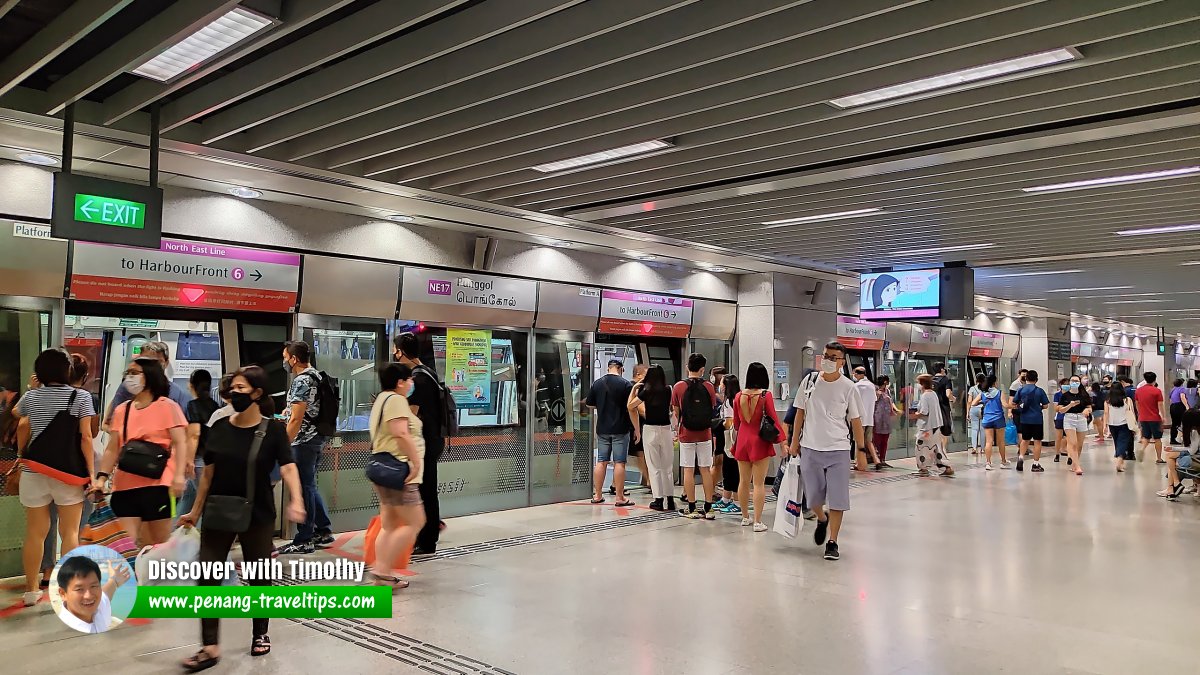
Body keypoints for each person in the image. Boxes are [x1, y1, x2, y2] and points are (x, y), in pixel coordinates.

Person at [179, 366, 305, 671]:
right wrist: (195, 512)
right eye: (232, 388)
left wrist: (297, 501)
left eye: (241, 388)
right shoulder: (218, 429)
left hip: (257, 514)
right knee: (207, 577)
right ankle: (209, 646)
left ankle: (260, 632)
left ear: (257, 394)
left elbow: (288, 467)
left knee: (259, 576)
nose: (234, 393)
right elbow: (207, 475)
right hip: (218, 512)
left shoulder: (273, 431)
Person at [15, 349, 96, 607]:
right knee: (70, 531)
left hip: (34, 471)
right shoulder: (81, 397)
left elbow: (18, 416)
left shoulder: (31, 397)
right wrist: (92, 474)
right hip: (68, 473)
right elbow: (85, 437)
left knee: (35, 533)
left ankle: (30, 591)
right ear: (68, 371)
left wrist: (33, 387)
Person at [96, 357, 188, 547]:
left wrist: (179, 476)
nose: (129, 378)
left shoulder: (168, 406)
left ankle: (158, 576)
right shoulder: (123, 410)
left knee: (159, 543)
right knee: (125, 544)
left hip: (160, 486)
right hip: (124, 485)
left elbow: (180, 442)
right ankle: (136, 576)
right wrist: (102, 477)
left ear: (150, 376)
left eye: (134, 373)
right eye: (127, 373)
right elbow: (113, 448)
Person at [788, 342, 866, 561]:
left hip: (839, 449)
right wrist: (794, 442)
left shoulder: (849, 386)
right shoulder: (810, 381)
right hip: (810, 447)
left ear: (842, 362)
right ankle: (822, 518)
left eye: (834, 357)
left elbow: (856, 420)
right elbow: (800, 413)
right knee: (813, 497)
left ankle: (832, 542)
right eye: (826, 356)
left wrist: (860, 450)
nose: (828, 360)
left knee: (838, 498)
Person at [40, 353, 100, 593]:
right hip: (76, 469)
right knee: (75, 526)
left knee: (46, 523)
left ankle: (46, 571)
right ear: (84, 376)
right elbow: (91, 435)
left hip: (45, 465)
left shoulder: (39, 395)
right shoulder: (87, 398)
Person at [365, 363, 425, 590]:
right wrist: (416, 462)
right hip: (400, 471)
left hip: (383, 470)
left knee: (389, 525)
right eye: (409, 380)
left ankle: (384, 575)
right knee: (415, 522)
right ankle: (381, 569)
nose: (411, 384)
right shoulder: (397, 400)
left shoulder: (382, 399)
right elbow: (400, 433)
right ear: (400, 382)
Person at [275, 340, 333, 555]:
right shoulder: (316, 375)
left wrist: (284, 444)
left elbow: (297, 419)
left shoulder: (301, 381)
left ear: (294, 358)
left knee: (304, 486)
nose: (284, 361)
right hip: (316, 437)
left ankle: (304, 538)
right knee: (309, 485)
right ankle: (323, 530)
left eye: (285, 357)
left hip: (304, 440)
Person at [393, 333, 446, 554]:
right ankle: (429, 531)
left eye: (396, 350)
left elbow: (411, 415)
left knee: (425, 491)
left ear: (402, 351)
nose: (395, 355)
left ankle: (427, 539)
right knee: (425, 490)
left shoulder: (418, 379)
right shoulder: (428, 373)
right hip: (432, 440)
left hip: (424, 443)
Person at [731, 363, 782, 531]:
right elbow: (773, 419)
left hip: (742, 440)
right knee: (759, 484)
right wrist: (782, 441)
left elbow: (737, 423)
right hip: (759, 441)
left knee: (743, 481)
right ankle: (758, 521)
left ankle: (745, 517)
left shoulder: (738, 396)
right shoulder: (765, 396)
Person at [671, 353, 719, 519]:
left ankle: (691, 508)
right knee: (705, 470)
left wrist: (676, 431)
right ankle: (708, 507)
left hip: (686, 434)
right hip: (705, 433)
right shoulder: (709, 387)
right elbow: (712, 409)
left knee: (688, 471)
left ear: (687, 368)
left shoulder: (678, 387)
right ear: (702, 369)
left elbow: (676, 413)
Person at [103, 341, 191, 427]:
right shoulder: (129, 387)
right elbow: (111, 422)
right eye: (147, 361)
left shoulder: (175, 393)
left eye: (158, 361)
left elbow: (184, 429)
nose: (152, 366)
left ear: (166, 362)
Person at [585, 359, 635, 506]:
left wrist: (602, 406)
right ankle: (620, 497)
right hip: (621, 428)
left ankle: (597, 495)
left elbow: (589, 403)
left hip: (602, 429)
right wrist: (636, 428)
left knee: (601, 461)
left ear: (608, 368)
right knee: (620, 462)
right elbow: (631, 406)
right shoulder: (626, 385)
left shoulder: (597, 383)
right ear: (621, 369)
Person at [629, 364, 673, 512]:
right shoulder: (669, 389)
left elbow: (630, 406)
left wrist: (634, 389)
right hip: (666, 430)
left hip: (650, 429)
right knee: (667, 466)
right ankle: (671, 499)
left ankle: (658, 500)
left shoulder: (646, 391)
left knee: (654, 467)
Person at [179, 370, 219, 523]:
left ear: (191, 385)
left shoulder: (193, 405)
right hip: (210, 457)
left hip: (199, 460)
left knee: (202, 502)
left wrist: (188, 460)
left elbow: (194, 434)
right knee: (188, 498)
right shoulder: (215, 405)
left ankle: (202, 538)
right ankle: (177, 534)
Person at [55, 556, 129, 634]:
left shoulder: (98, 607)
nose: (89, 596)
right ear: (63, 593)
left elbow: (106, 593)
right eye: (79, 589)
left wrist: (114, 580)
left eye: (93, 586)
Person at [914, 374, 954, 477]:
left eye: (918, 383)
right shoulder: (933, 394)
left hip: (927, 427)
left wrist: (915, 415)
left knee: (920, 447)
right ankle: (947, 466)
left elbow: (924, 412)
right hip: (936, 426)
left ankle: (923, 468)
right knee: (937, 447)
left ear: (922, 384)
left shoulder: (925, 396)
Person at [1157, 405, 1200, 498]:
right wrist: (1174, 449)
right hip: (1196, 457)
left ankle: (1173, 486)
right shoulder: (1196, 430)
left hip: (1196, 459)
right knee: (1171, 458)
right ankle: (1173, 486)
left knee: (1172, 462)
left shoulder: (1195, 432)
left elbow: (1192, 450)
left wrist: (1175, 449)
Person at [1011, 370, 1050, 473]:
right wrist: (1039, 407)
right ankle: (1035, 464)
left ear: (1026, 378)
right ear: (1036, 379)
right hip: (1037, 419)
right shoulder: (1040, 391)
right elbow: (1046, 405)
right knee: (1037, 441)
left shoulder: (1021, 390)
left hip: (1024, 419)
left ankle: (1020, 458)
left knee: (1025, 439)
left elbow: (1014, 403)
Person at [623, 364, 651, 493]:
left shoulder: (636, 387)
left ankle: (648, 480)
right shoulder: (634, 387)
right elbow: (639, 409)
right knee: (640, 454)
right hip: (634, 426)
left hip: (634, 426)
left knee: (640, 454)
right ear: (638, 374)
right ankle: (649, 480)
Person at [717, 374, 742, 513]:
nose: (720, 386)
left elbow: (729, 422)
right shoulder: (739, 398)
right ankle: (726, 499)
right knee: (729, 468)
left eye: (721, 383)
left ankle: (737, 502)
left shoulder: (728, 402)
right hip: (738, 439)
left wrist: (719, 424)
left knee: (731, 470)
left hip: (730, 440)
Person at [1057, 375, 1090, 476]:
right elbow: (1060, 410)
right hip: (1069, 418)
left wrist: (1086, 410)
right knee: (1073, 443)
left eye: (1076, 381)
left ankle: (1075, 464)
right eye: (1072, 380)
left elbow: (1089, 407)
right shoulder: (1065, 395)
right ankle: (1077, 466)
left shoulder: (1084, 395)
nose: (1074, 382)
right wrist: (1070, 405)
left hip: (1081, 418)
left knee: (1079, 445)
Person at [851, 367, 880, 470]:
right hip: (869, 419)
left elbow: (852, 401)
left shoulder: (856, 386)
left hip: (859, 419)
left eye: (854, 374)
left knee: (858, 441)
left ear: (858, 374)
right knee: (868, 441)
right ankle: (876, 460)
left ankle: (857, 462)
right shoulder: (872, 386)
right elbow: (875, 399)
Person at [979, 374, 1010, 470]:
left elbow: (973, 403)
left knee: (989, 441)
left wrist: (983, 402)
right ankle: (1003, 461)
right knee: (1001, 441)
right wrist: (1013, 406)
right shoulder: (999, 393)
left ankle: (988, 462)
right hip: (998, 418)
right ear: (994, 382)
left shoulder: (983, 394)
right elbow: (1005, 405)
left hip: (987, 419)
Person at [708, 365, 729, 506]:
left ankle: (713, 487)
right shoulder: (711, 391)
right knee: (716, 461)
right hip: (714, 429)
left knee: (720, 461)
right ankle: (710, 489)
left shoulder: (727, 394)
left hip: (722, 431)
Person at [1135, 372, 1166, 464]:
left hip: (1143, 417)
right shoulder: (1157, 391)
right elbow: (1160, 405)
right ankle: (1159, 458)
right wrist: (1163, 416)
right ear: (1154, 380)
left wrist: (1140, 413)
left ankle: (1142, 448)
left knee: (1146, 436)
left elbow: (1137, 403)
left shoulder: (1138, 391)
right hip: (1155, 418)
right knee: (1157, 438)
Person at [1105, 382, 1135, 472]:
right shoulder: (1127, 400)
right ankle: (1119, 461)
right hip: (1124, 424)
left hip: (1112, 424)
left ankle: (1120, 461)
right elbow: (1131, 412)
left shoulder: (1108, 401)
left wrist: (1105, 426)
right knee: (1123, 443)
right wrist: (1134, 424)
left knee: (1117, 442)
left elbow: (1106, 413)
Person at [872, 375, 899, 469]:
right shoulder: (875, 390)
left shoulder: (887, 391)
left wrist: (896, 410)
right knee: (877, 439)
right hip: (878, 417)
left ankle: (883, 459)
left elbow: (891, 402)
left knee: (885, 440)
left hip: (886, 417)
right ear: (885, 382)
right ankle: (877, 460)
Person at [930, 362, 955, 440]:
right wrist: (953, 398)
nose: (944, 370)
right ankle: (942, 450)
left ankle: (936, 449)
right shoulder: (946, 380)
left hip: (933, 408)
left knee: (935, 430)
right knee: (945, 431)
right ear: (941, 369)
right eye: (943, 368)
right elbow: (948, 394)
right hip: (944, 407)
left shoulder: (931, 380)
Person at [1119, 376, 1138, 461]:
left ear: (1122, 382)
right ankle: (1131, 453)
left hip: (1126, 414)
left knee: (1126, 434)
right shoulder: (1136, 389)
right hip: (1134, 413)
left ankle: (1128, 453)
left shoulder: (1124, 391)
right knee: (1131, 433)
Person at [967, 373, 986, 454]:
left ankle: (974, 448)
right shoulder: (985, 389)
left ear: (976, 380)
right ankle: (982, 448)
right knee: (982, 429)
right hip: (983, 409)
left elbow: (969, 401)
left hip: (973, 409)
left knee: (974, 429)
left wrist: (968, 412)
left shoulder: (972, 388)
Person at [1051, 378, 1068, 463]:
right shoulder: (1057, 395)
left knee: (1069, 437)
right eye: (1064, 384)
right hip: (1060, 418)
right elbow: (1056, 408)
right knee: (1058, 437)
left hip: (1070, 418)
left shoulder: (1072, 394)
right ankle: (1057, 454)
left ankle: (1070, 454)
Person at [1169, 378, 1188, 445]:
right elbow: (1182, 397)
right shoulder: (1182, 389)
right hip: (1179, 406)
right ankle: (1184, 439)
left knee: (1174, 423)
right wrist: (1187, 406)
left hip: (1172, 406)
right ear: (1181, 383)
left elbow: (1170, 399)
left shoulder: (1172, 389)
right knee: (1182, 423)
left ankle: (1172, 439)